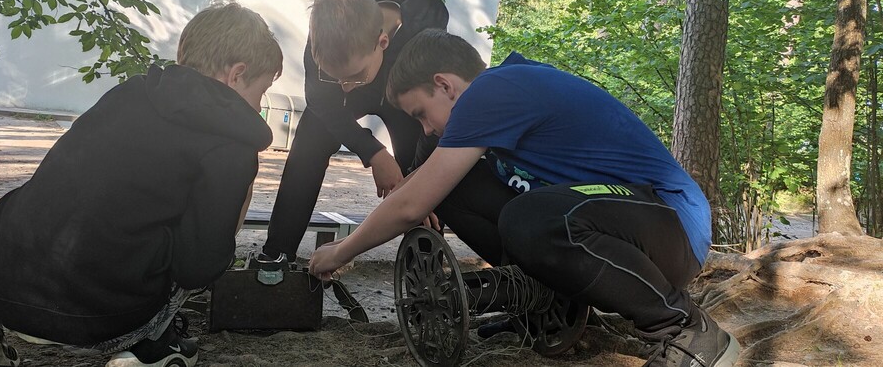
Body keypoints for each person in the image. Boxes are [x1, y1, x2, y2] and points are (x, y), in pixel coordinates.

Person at [309, 29, 741, 367]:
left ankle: (683, 327)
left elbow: (409, 206)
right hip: (622, 226)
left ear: (444, 85)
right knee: (457, 188)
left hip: (670, 222)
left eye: (421, 113)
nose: (425, 129)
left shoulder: (492, 91)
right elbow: (422, 185)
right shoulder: (497, 97)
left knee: (530, 217)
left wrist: (341, 251)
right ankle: (541, 300)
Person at [0, 1, 283, 367]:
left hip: (6, 289)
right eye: (261, 92)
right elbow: (198, 266)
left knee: (47, 204)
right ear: (236, 74)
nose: (258, 107)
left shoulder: (128, 93)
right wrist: (234, 213)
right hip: (102, 319)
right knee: (192, 246)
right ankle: (150, 347)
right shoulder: (231, 147)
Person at [260, 0, 449, 262]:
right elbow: (323, 103)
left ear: (382, 42)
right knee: (309, 141)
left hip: (404, 91)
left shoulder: (427, 22)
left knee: (422, 179)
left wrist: (422, 182)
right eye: (333, 77)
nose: (345, 89)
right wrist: (373, 152)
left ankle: (425, 266)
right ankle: (277, 255)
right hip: (365, 73)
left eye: (354, 76)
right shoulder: (324, 29)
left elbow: (431, 115)